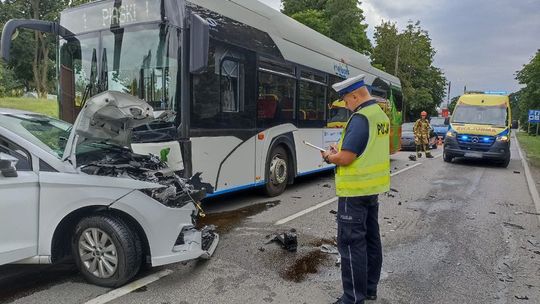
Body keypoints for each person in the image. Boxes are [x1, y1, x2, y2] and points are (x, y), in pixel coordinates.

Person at [321, 75, 390, 304]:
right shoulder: (379, 115)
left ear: (354, 95)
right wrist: (338, 148)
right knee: (371, 240)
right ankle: (369, 289)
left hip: (354, 193)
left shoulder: (360, 118)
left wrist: (330, 156)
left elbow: (347, 157)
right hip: (371, 190)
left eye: (345, 100)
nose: (346, 105)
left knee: (351, 246)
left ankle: (352, 299)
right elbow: (367, 148)